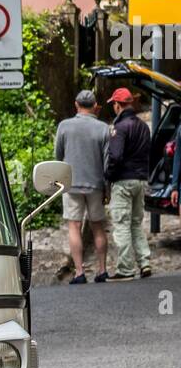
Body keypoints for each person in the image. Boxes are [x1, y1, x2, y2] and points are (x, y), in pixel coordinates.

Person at [53, 89, 110, 285]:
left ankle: (79, 272)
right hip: (96, 184)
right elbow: (107, 161)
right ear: (95, 106)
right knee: (98, 226)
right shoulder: (103, 128)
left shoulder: (64, 126)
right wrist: (106, 187)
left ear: (76, 105)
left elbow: (57, 156)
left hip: (71, 184)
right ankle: (102, 270)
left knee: (74, 226)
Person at [104, 87, 152, 281]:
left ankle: (125, 269)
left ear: (118, 105)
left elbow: (115, 156)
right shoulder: (143, 126)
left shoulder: (120, 128)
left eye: (114, 104)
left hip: (123, 181)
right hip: (141, 180)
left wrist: (109, 175)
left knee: (122, 224)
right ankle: (145, 262)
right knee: (136, 223)